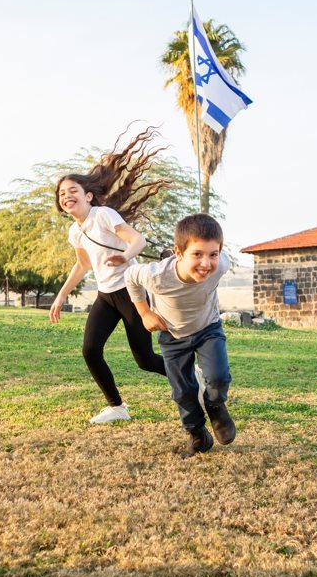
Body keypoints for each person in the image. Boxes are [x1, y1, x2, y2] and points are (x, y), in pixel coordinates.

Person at [49, 129, 170, 424]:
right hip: (106, 295)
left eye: (73, 191)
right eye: (62, 193)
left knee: (145, 360)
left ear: (88, 195)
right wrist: (61, 295)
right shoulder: (75, 231)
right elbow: (82, 265)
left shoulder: (103, 215)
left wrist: (126, 256)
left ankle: (190, 372)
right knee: (90, 350)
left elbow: (137, 240)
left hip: (130, 291)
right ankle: (116, 407)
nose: (66, 196)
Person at [125, 214, 235, 457]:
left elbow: (214, 260)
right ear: (179, 252)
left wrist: (211, 257)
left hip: (208, 328)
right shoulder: (157, 276)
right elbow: (130, 277)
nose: (206, 263)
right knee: (182, 391)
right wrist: (145, 313)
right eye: (197, 254)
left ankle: (215, 405)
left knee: (218, 377)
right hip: (172, 335)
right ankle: (198, 435)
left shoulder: (221, 265)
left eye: (213, 254)